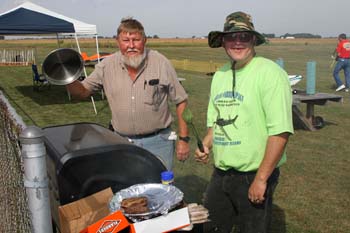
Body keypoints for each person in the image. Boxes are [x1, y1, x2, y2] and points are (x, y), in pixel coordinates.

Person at [194, 12, 294, 233]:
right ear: (223, 42)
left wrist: (261, 179)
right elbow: (216, 123)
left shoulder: (271, 74)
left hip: (254, 173)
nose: (237, 42)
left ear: (253, 40)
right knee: (210, 227)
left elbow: (280, 132)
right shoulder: (220, 75)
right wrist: (206, 144)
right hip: (221, 172)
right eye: (231, 37)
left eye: (244, 37)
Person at [66, 17, 190, 170]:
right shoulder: (106, 66)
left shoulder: (160, 62)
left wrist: (184, 139)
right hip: (121, 142)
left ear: (144, 40)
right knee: (126, 189)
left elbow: (181, 100)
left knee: (160, 190)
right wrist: (66, 76)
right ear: (118, 41)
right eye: (125, 40)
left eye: (136, 40)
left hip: (159, 142)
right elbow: (82, 92)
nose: (131, 46)